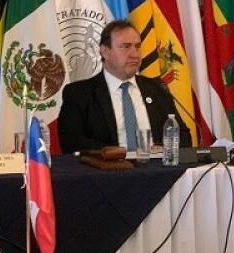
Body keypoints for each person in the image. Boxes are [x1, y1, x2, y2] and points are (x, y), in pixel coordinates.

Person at [58, 20, 192, 153]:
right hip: (108, 166)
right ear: (105, 51)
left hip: (156, 164)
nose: (135, 54)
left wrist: (163, 149)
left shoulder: (157, 88)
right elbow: (72, 143)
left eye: (137, 46)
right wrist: (120, 153)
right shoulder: (79, 93)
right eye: (126, 47)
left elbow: (183, 136)